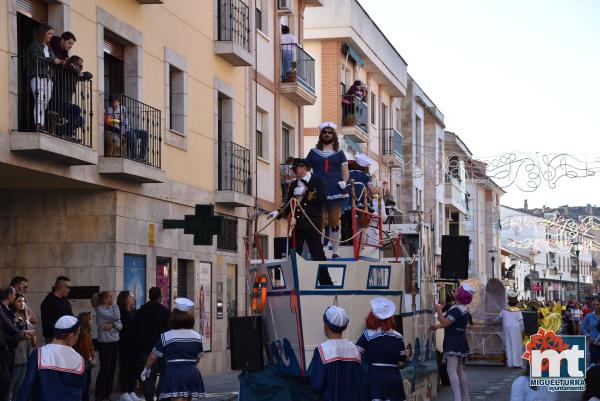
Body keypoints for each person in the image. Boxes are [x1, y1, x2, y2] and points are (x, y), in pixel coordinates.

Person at [140, 298, 205, 400]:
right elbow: (197, 359)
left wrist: (146, 369)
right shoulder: (198, 337)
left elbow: (153, 357)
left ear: (173, 318)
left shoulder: (166, 336)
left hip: (173, 373)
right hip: (192, 373)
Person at [268, 158, 328, 264]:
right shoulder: (294, 184)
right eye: (293, 169)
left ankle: (324, 279)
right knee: (294, 253)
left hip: (312, 223)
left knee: (317, 252)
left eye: (296, 169)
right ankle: (294, 278)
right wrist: (279, 212)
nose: (294, 172)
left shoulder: (317, 180)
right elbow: (289, 204)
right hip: (297, 224)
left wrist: (306, 192)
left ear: (304, 168)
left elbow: (322, 198)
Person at [306, 122, 350, 259]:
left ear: (333, 135)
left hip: (335, 188)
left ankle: (335, 252)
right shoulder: (313, 153)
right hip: (318, 189)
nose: (327, 134)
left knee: (334, 221)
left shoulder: (340, 153)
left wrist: (344, 181)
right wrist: (306, 183)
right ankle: (319, 251)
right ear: (321, 135)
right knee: (320, 221)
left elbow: (345, 170)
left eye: (330, 132)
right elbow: (307, 169)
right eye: (325, 132)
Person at [16, 315, 86, 401]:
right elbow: (80, 391)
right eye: (78, 334)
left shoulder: (39, 354)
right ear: (71, 336)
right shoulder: (79, 360)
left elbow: (27, 385)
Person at [308, 305, 366, 401]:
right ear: (345, 326)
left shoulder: (322, 350)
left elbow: (316, 385)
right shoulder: (355, 350)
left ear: (325, 326)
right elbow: (363, 380)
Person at [431, 283, 476, 401]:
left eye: (457, 290)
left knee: (451, 369)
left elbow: (446, 323)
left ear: (460, 295)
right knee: (459, 369)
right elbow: (451, 324)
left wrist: (439, 310)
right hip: (460, 339)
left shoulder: (456, 309)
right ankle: (465, 396)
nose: (455, 290)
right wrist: (437, 326)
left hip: (452, 340)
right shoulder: (463, 308)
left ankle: (457, 397)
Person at [355, 298, 406, 401]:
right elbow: (402, 363)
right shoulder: (398, 337)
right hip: (394, 379)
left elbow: (356, 356)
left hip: (375, 378)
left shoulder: (367, 335)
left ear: (372, 317)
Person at [135, 287, 170, 401]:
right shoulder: (164, 312)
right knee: (164, 372)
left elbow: (137, 330)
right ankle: (160, 394)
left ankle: (149, 398)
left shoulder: (140, 311)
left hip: (145, 348)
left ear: (149, 296)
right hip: (161, 348)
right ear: (160, 297)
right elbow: (167, 331)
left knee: (147, 374)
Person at [25, 23, 61, 129]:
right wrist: (52, 60)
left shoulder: (48, 48)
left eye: (52, 34)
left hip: (48, 77)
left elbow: (53, 59)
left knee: (45, 101)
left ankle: (41, 123)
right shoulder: (34, 45)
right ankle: (38, 124)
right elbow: (36, 58)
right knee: (39, 99)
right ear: (43, 33)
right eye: (49, 33)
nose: (51, 36)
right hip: (37, 75)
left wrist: (59, 61)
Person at [0, 287, 27, 401]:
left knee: (14, 381)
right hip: (5, 349)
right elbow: (14, 328)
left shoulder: (7, 310)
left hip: (11, 349)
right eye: (15, 294)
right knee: (7, 382)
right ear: (10, 295)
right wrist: (24, 332)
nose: (15, 296)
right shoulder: (1, 308)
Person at [95, 291, 122, 401]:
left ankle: (107, 394)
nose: (113, 298)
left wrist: (113, 324)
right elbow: (117, 316)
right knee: (105, 369)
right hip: (105, 344)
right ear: (105, 299)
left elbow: (120, 326)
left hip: (115, 342)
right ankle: (99, 394)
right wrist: (115, 305)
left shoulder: (113, 309)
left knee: (112, 369)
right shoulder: (100, 310)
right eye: (110, 297)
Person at [9, 293, 36, 401]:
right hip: (16, 355)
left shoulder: (25, 317)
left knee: (20, 384)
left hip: (26, 354)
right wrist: (28, 332)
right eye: (19, 301)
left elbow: (32, 335)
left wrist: (31, 333)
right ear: (13, 302)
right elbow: (15, 333)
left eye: (24, 301)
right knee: (11, 384)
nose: (22, 303)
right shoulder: (12, 316)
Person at [106, 96, 148, 161]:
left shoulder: (123, 109)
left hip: (127, 128)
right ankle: (134, 157)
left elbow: (126, 121)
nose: (113, 104)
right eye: (112, 102)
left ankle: (142, 157)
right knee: (132, 135)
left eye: (115, 102)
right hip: (119, 130)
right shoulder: (110, 109)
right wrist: (118, 121)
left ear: (118, 102)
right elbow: (109, 120)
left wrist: (124, 123)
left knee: (144, 133)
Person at [118, 291, 141, 401]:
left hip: (135, 343)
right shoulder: (120, 312)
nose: (133, 298)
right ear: (124, 299)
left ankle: (131, 391)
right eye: (130, 296)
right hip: (124, 343)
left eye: (133, 296)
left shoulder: (135, 312)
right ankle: (124, 392)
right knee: (125, 367)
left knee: (133, 368)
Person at [40, 275, 73, 344]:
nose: (69, 290)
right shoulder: (48, 302)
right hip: (53, 338)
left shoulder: (65, 301)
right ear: (62, 287)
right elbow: (47, 324)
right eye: (68, 287)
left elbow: (70, 318)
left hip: (66, 337)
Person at [497, 290, 524, 368]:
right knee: (517, 346)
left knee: (508, 345)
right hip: (516, 330)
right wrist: (523, 331)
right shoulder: (518, 311)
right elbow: (521, 322)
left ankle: (510, 363)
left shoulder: (504, 310)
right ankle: (517, 363)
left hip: (507, 329)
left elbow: (498, 318)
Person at [73, 312, 95, 401]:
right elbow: (85, 348)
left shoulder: (84, 331)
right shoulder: (84, 333)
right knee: (85, 384)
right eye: (90, 319)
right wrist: (91, 359)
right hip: (84, 362)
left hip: (81, 361)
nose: (92, 321)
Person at [582, 298, 600, 364]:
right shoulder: (589, 316)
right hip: (593, 344)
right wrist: (588, 336)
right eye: (594, 304)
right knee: (593, 364)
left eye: (597, 304)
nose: (595, 306)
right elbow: (583, 328)